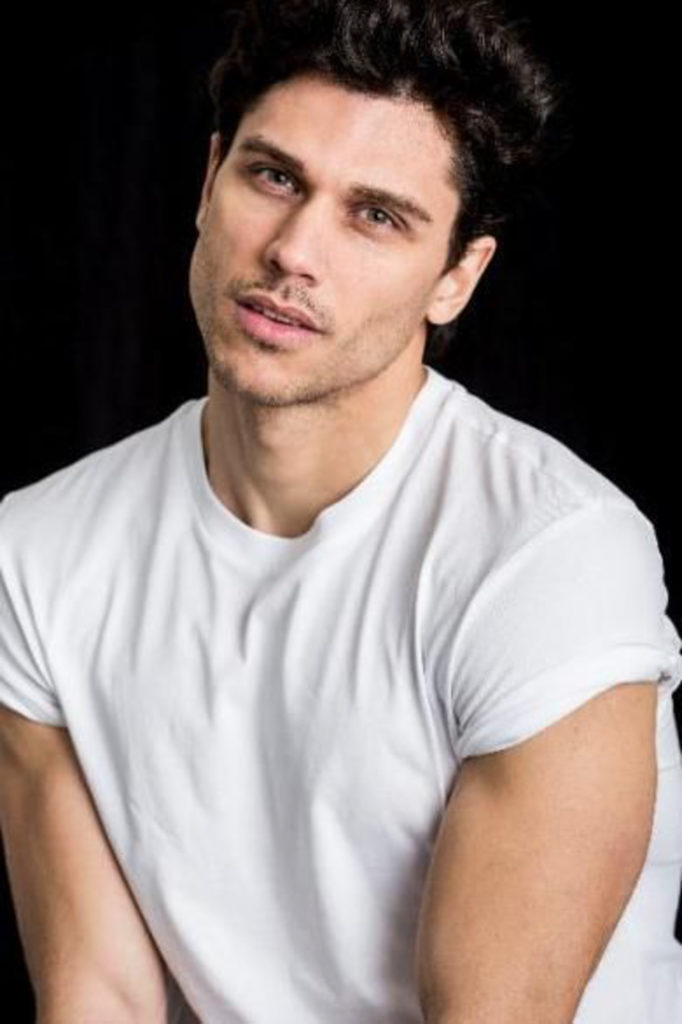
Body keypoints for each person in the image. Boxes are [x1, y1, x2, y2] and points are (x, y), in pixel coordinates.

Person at [1, 0, 681, 1021]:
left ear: (456, 277)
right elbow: (101, 1001)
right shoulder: (38, 553)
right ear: (209, 180)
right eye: (274, 177)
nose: (293, 251)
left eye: (377, 216)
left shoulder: (547, 554)